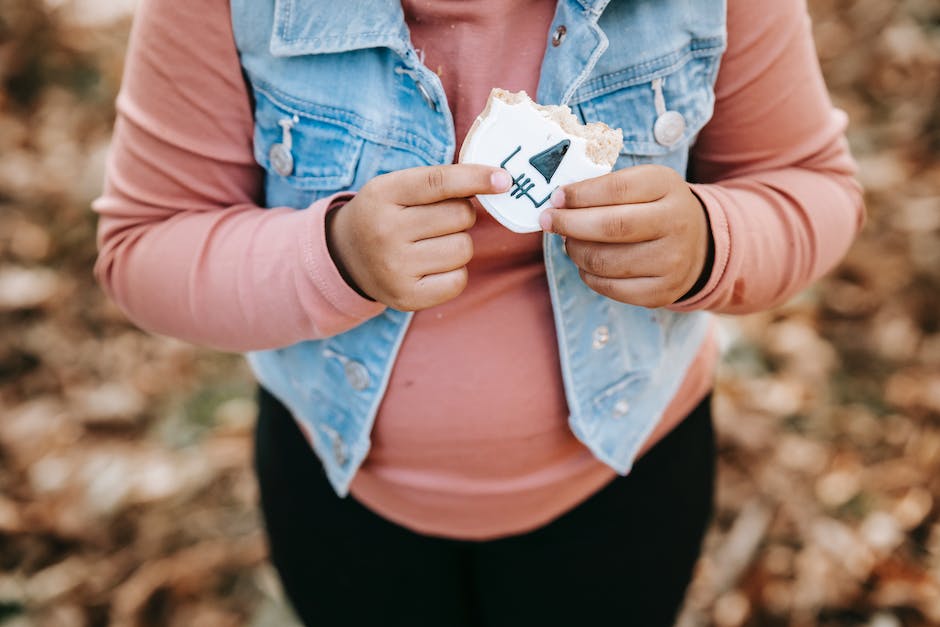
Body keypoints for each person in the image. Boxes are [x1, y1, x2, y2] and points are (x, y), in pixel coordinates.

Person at [93, 0, 864, 624]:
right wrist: (333, 254)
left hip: (627, 483)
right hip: (340, 493)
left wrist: (710, 242)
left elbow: (814, 186)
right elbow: (143, 244)